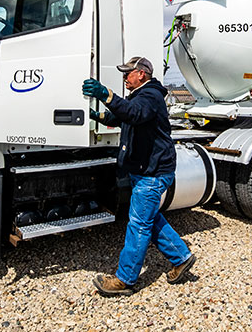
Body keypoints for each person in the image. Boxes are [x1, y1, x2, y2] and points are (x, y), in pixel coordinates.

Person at [81, 56, 196, 296]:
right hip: (145, 170)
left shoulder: (151, 96)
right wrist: (94, 114)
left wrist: (106, 94)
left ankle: (125, 279)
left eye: (127, 73)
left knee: (139, 224)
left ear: (141, 74)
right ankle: (182, 257)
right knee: (149, 218)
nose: (124, 77)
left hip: (152, 173)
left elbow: (133, 113)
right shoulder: (140, 97)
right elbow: (118, 117)